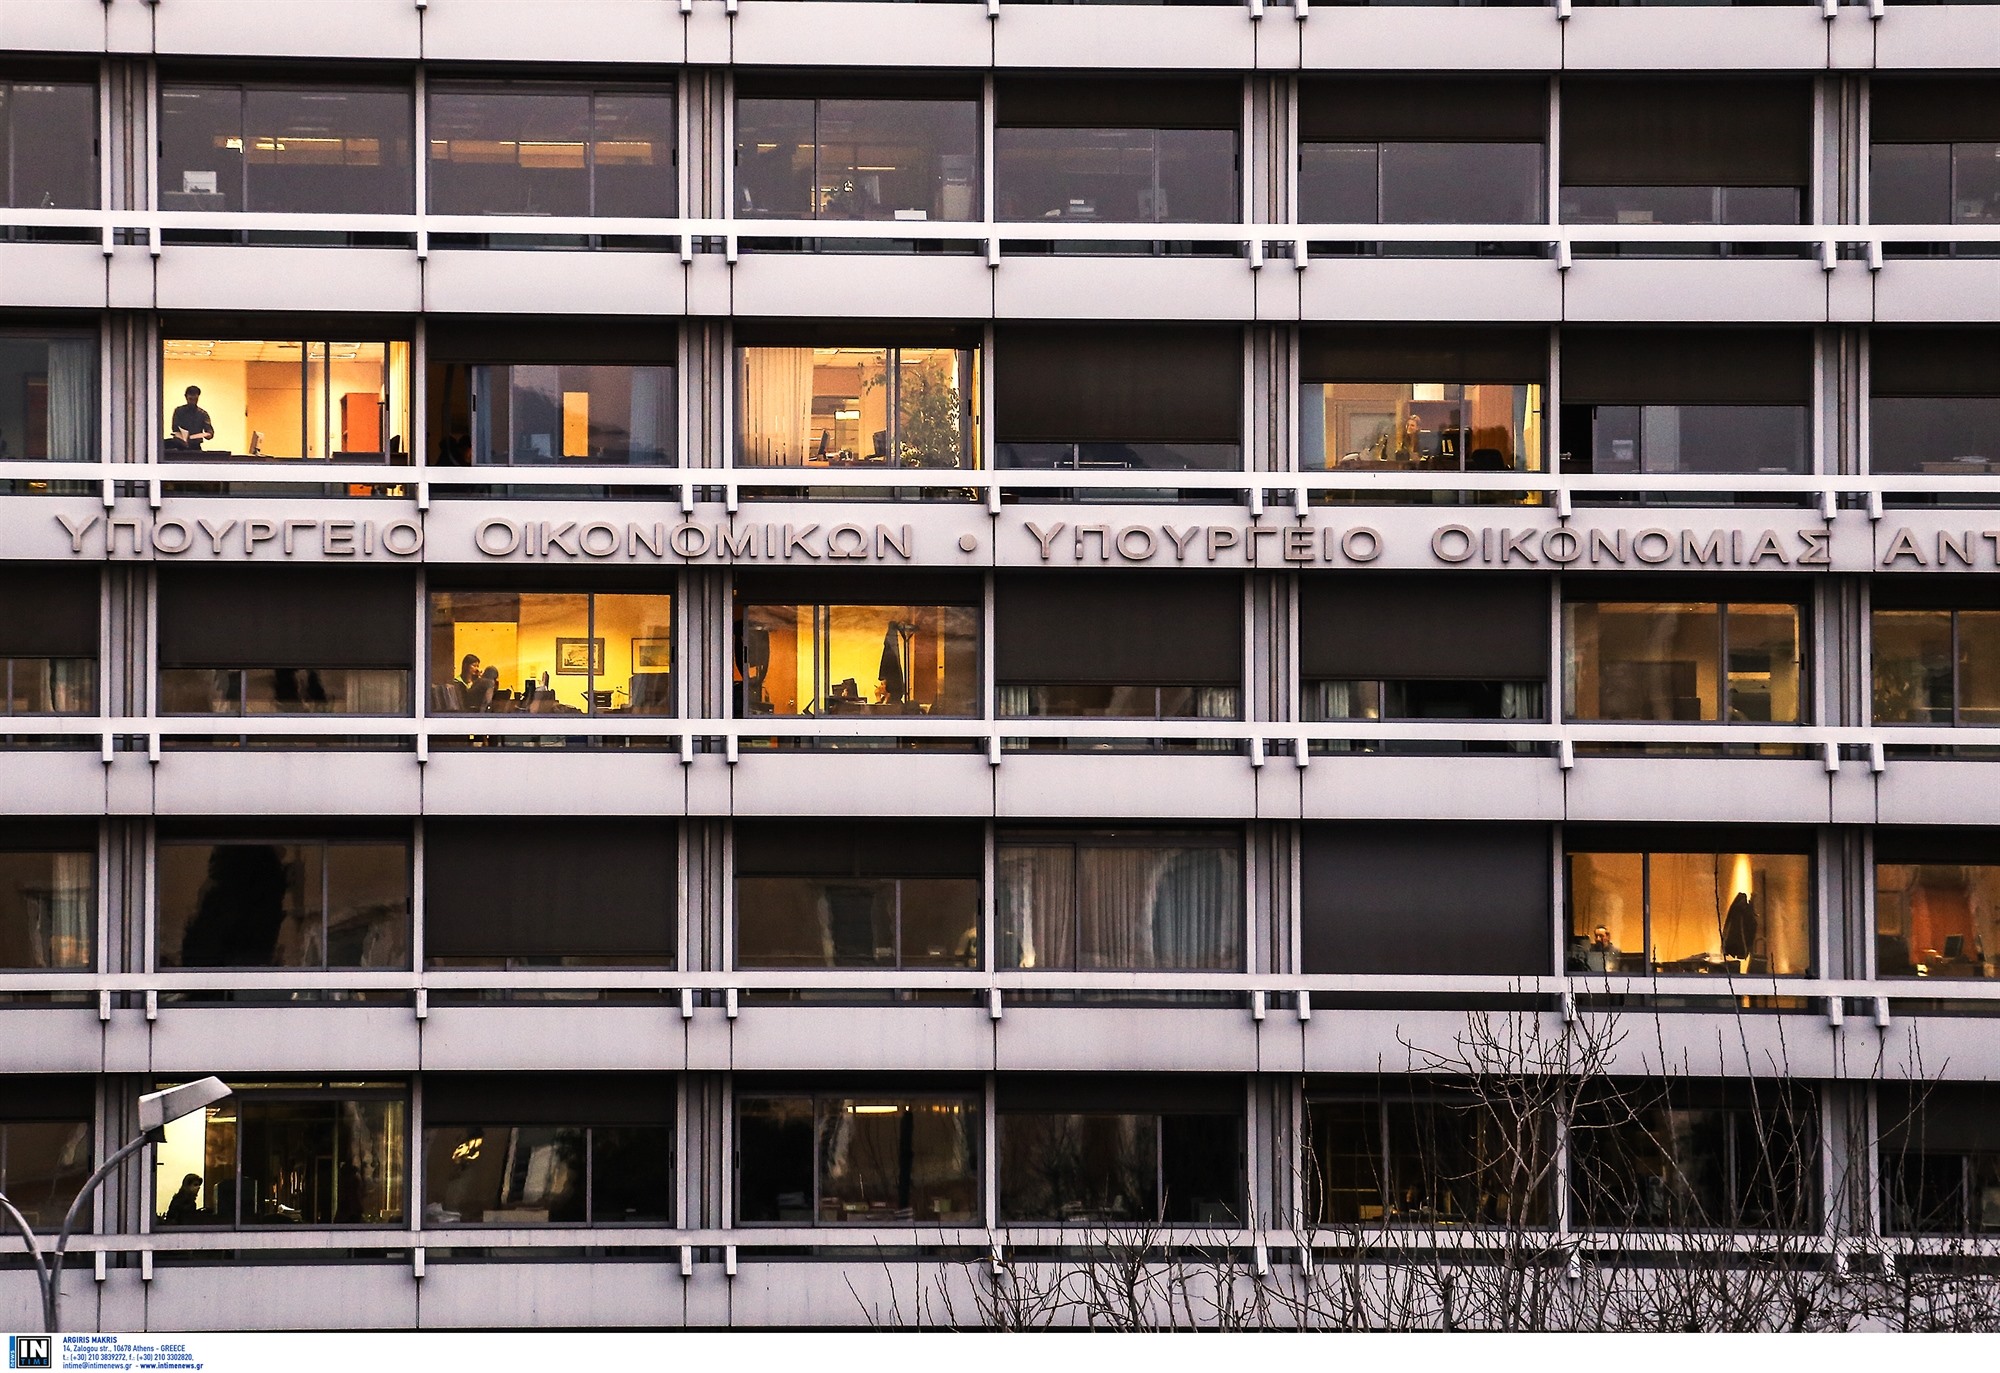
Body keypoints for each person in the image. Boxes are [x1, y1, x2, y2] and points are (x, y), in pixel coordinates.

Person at [169, 386, 215, 451]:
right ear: (186, 397)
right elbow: (175, 428)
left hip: (195, 446)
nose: (193, 401)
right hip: (179, 446)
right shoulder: (179, 411)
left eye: (195, 399)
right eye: (190, 399)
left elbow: (209, 431)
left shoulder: (202, 414)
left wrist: (208, 434)